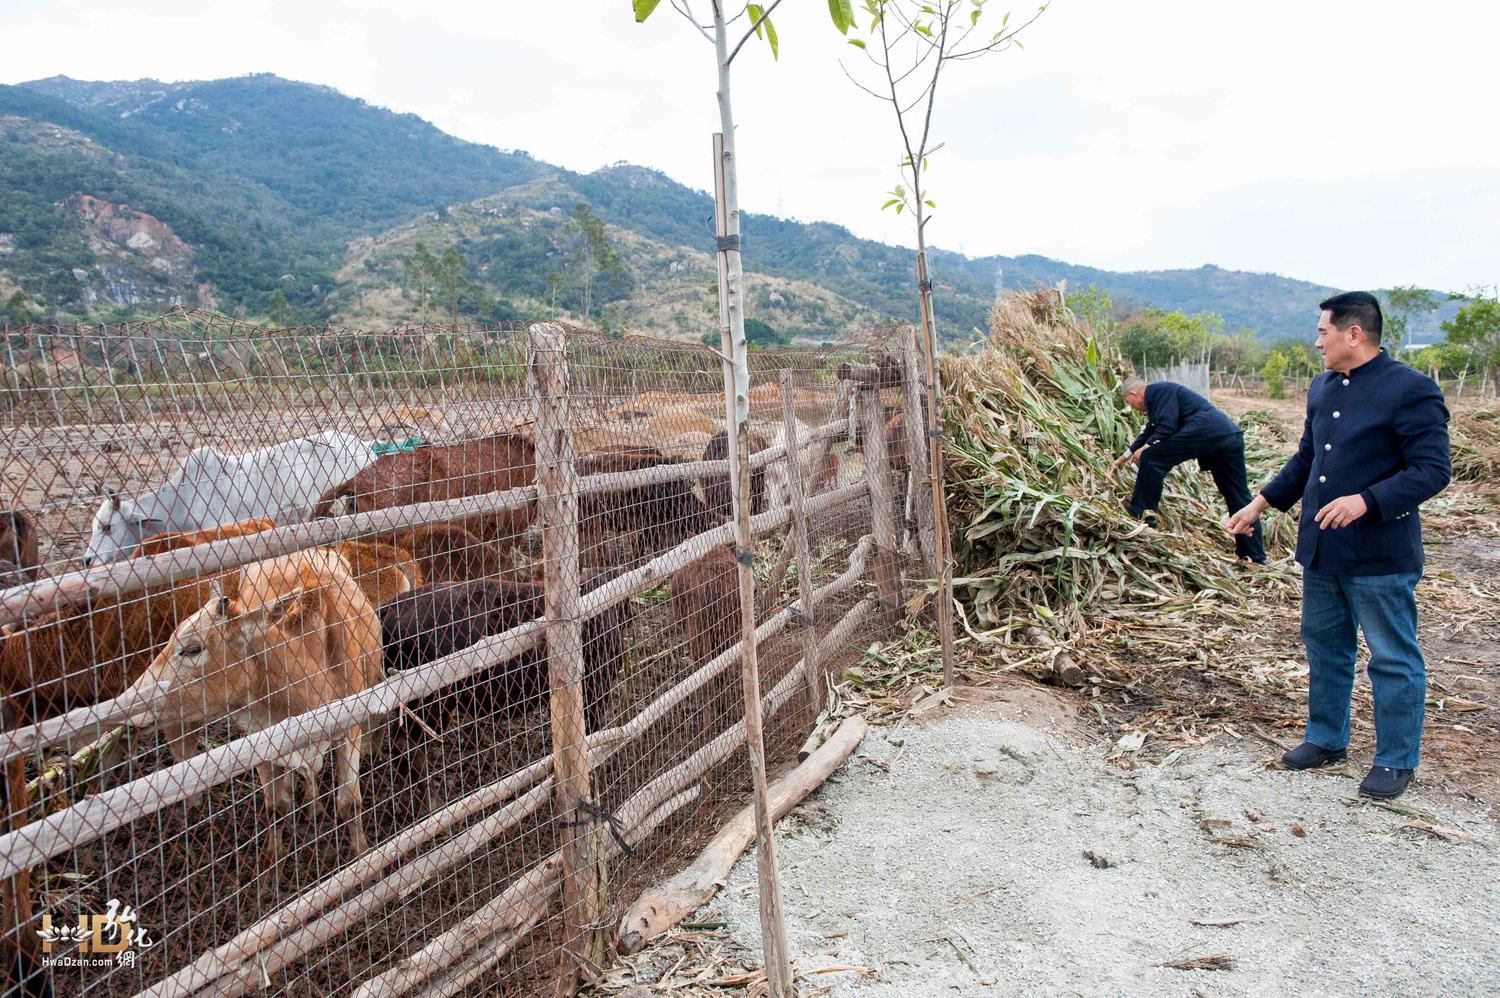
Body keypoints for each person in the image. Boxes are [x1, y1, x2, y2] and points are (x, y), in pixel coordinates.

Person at [1227, 292, 1450, 800]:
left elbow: (1432, 470)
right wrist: (1259, 504)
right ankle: (1327, 740)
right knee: (1326, 647)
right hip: (1323, 550)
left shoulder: (1411, 390)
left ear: (1354, 334)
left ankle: (1396, 760)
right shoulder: (1324, 387)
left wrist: (1367, 501)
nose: (1316, 341)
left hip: (1379, 553)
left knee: (1391, 656)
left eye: (1323, 332)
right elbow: (1307, 457)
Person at [1111, 377, 1266, 563]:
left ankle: (1143, 514)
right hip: (1228, 436)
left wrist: (1148, 447)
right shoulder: (1156, 400)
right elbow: (1149, 432)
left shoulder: (1158, 391)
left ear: (1134, 393)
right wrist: (1125, 457)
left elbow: (1167, 427)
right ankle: (1254, 556)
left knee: (1152, 458)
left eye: (1130, 402)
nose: (1132, 407)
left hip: (1206, 432)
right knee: (1238, 496)